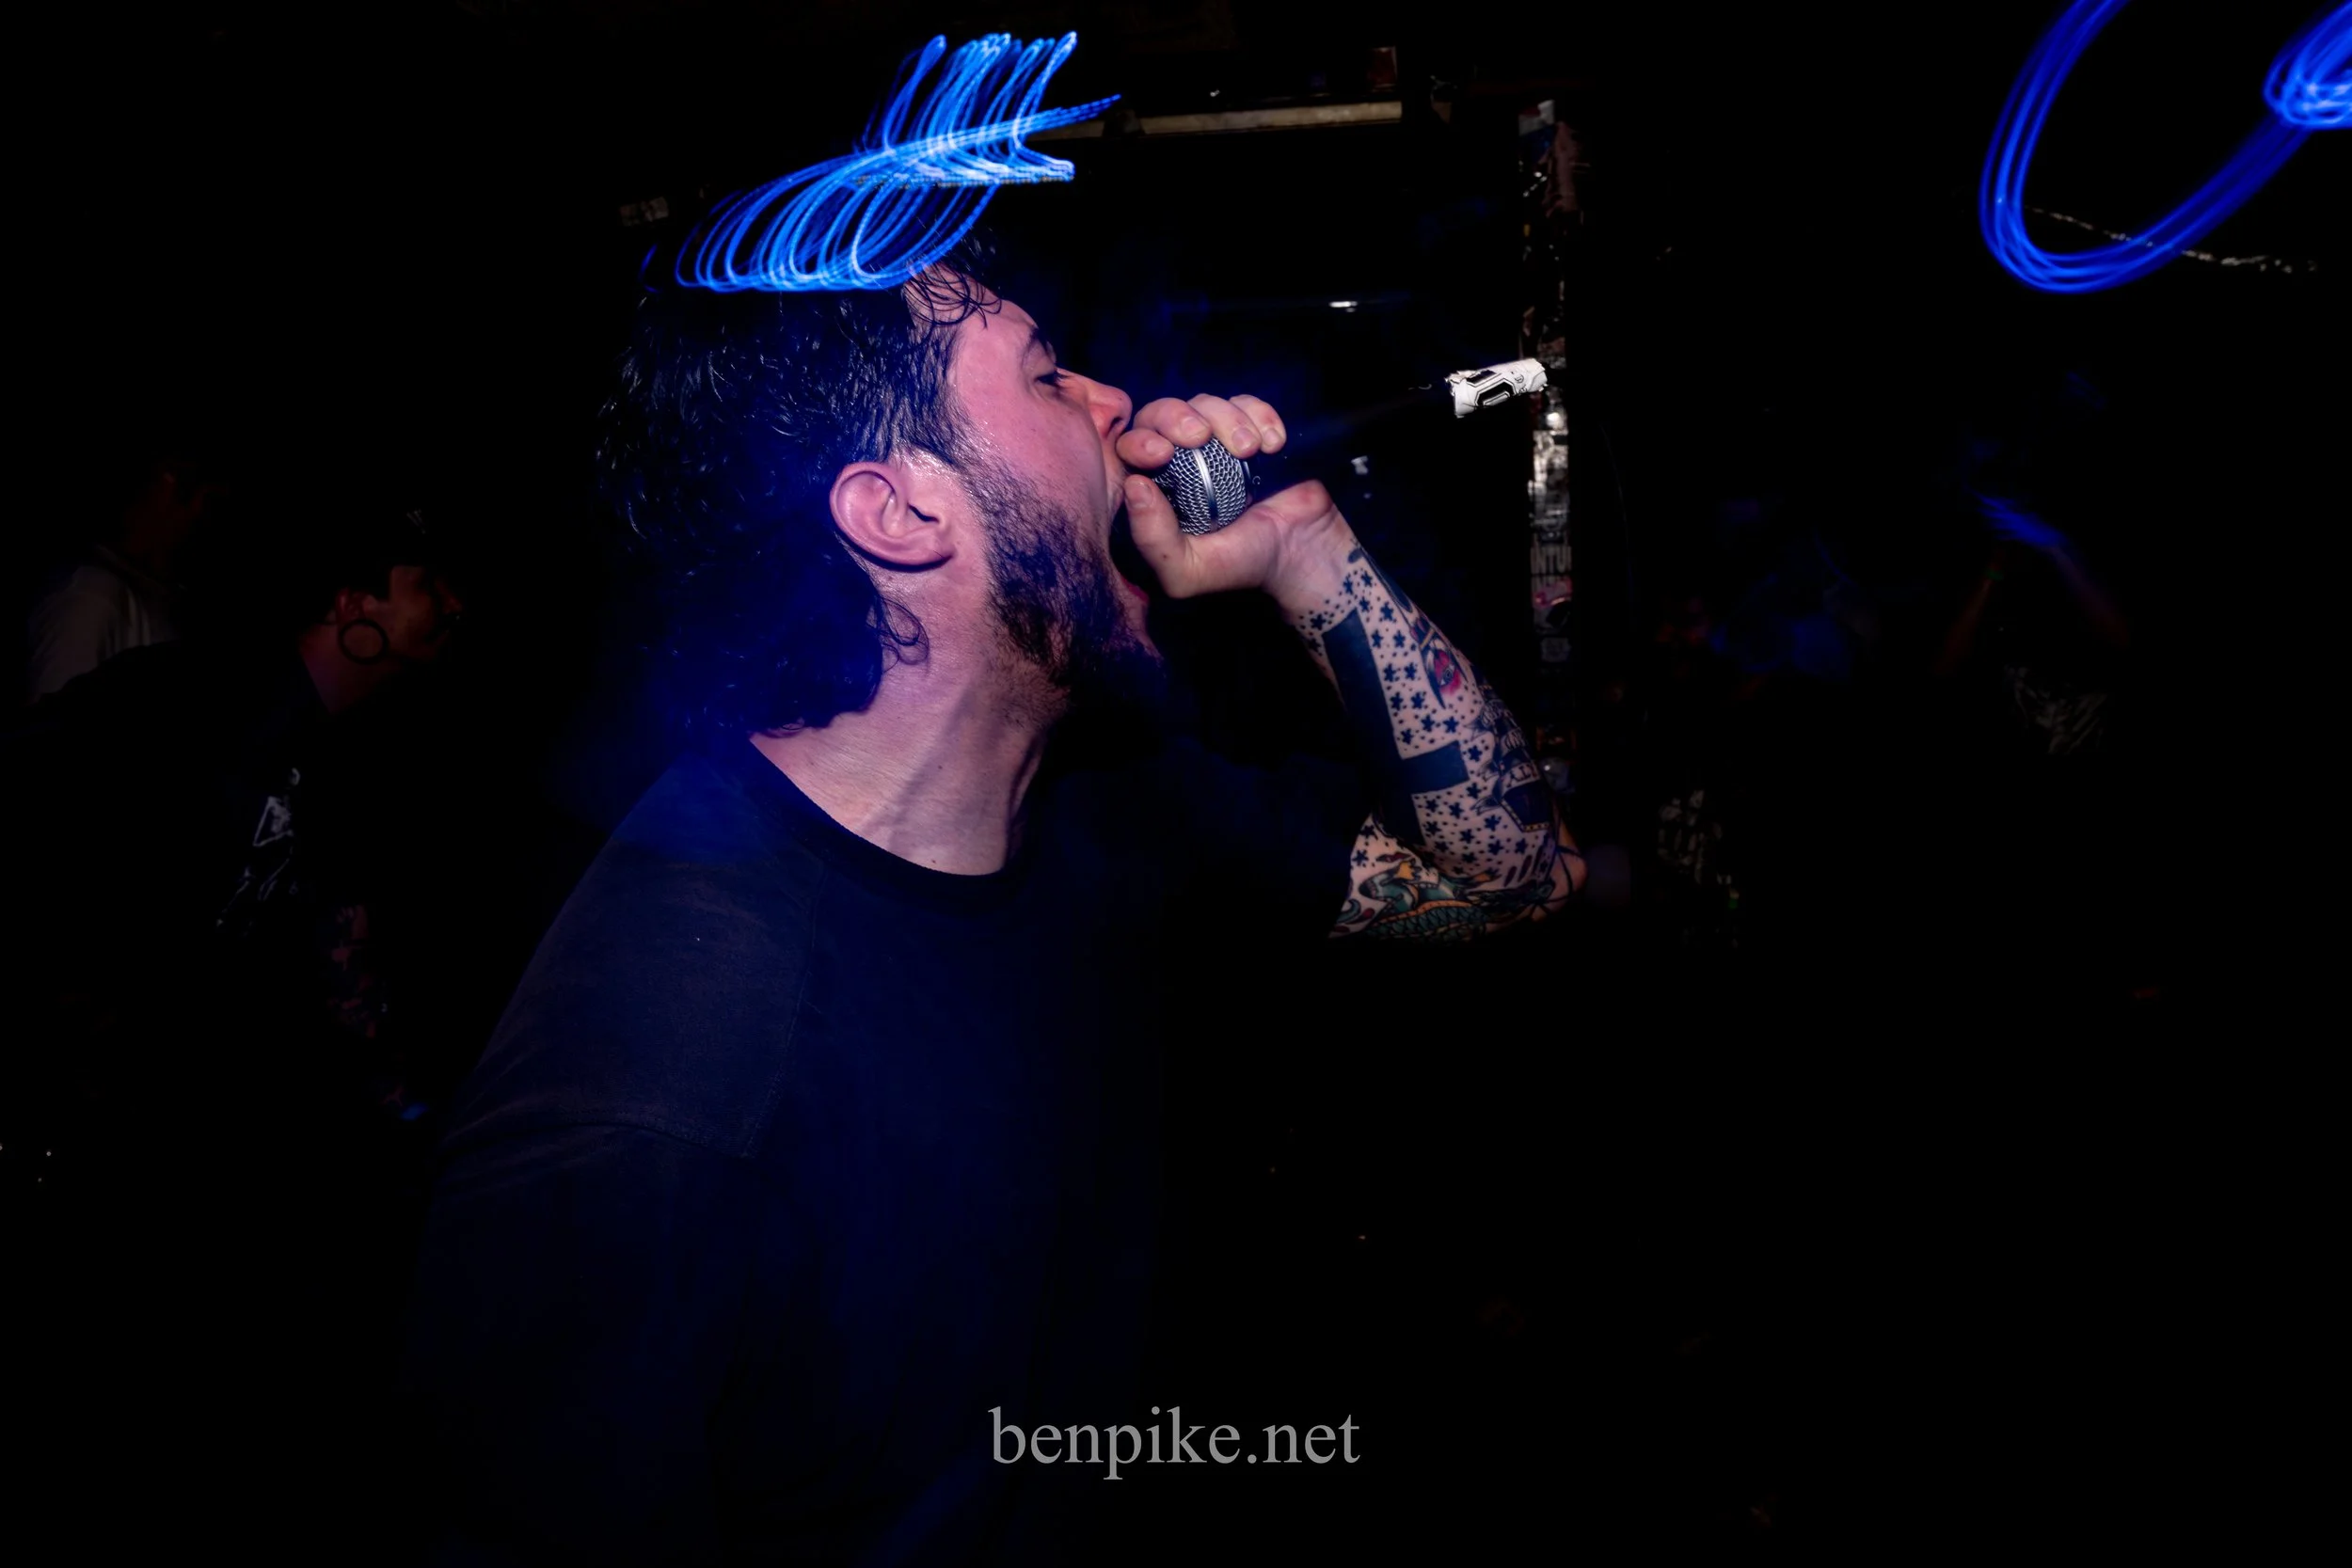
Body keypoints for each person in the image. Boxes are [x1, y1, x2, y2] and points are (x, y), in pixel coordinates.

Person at [400, 257, 1584, 1564]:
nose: (1115, 401)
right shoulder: (653, 1095)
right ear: (898, 510)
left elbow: (1514, 879)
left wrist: (1310, 551)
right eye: (1046, 375)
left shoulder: (1100, 800)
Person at [7, 493, 468, 1558]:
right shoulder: (191, 701)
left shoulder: (341, 754)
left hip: (165, 1143)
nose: (454, 607)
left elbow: (338, 955)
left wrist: (410, 1114)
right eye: (427, 586)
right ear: (352, 604)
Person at [23, 441, 229, 701]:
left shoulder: (171, 598)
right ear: (166, 486)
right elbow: (53, 721)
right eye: (210, 502)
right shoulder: (88, 600)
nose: (210, 521)